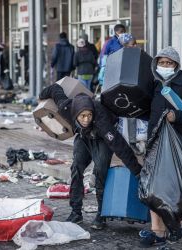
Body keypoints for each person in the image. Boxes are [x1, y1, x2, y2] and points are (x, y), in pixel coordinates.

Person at [39, 83, 142, 230]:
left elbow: (121, 147)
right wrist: (41, 96)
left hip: (102, 139)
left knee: (101, 170)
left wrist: (137, 171)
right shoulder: (66, 107)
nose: (86, 119)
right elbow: (55, 88)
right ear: (75, 114)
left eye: (89, 115)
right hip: (84, 137)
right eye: (82, 116)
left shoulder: (102, 122)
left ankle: (101, 214)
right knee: (76, 168)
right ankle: (76, 212)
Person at [139, 46, 182, 247]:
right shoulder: (154, 85)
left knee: (175, 191)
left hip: (179, 146)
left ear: (176, 65)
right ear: (156, 64)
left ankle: (175, 228)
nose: (165, 66)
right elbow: (148, 112)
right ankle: (157, 231)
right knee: (154, 189)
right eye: (161, 63)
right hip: (156, 144)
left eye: (169, 63)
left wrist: (177, 116)